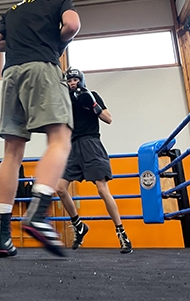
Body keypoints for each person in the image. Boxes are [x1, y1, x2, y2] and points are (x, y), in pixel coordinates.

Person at [0, 0, 81, 257]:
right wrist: (54, 40)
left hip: (11, 74)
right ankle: (38, 213)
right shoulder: (58, 0)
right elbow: (72, 25)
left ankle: (2, 236)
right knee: (60, 138)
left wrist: (19, 44)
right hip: (42, 67)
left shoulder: (12, 10)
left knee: (12, 152)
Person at [56, 68, 133, 254]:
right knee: (60, 188)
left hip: (92, 143)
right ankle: (79, 225)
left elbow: (109, 119)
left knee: (101, 188)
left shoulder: (92, 95)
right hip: (73, 147)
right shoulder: (65, 100)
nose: (72, 83)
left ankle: (122, 234)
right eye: (69, 80)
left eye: (75, 80)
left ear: (81, 80)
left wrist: (93, 105)